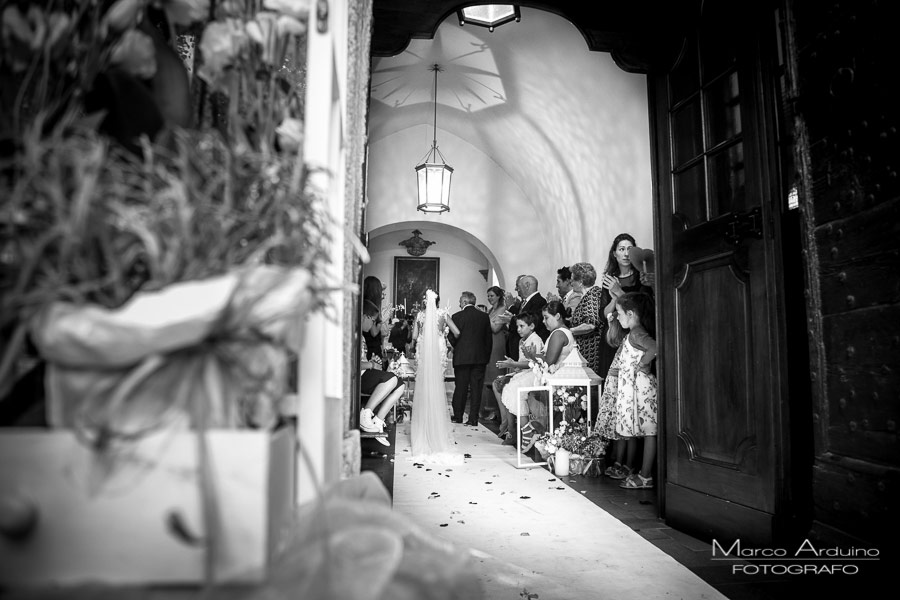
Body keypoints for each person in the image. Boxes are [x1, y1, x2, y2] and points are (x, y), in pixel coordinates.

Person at [500, 300, 575, 444]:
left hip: (554, 378)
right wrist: (532, 356)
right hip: (552, 375)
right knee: (512, 386)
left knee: (515, 389)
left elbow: (548, 362)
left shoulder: (558, 334)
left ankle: (526, 430)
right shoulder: (561, 332)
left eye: (547, 318)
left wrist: (533, 356)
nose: (544, 322)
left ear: (558, 316)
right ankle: (524, 430)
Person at [409, 290, 463, 464]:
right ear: (438, 302)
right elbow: (457, 332)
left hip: (423, 351)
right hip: (438, 349)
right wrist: (444, 333)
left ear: (425, 302)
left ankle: (424, 424)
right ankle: (437, 423)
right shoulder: (443, 314)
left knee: (424, 384)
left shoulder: (419, 315)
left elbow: (415, 336)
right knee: (437, 384)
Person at [613, 292, 658, 489]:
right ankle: (642, 473)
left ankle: (646, 476)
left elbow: (655, 347)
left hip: (642, 389)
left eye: (619, 313)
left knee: (650, 430)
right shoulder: (633, 332)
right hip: (636, 388)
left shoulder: (637, 333)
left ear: (630, 314)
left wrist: (643, 363)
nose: (617, 317)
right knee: (647, 430)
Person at [359, 300, 405, 446]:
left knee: (400, 385)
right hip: (356, 378)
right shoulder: (354, 334)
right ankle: (365, 414)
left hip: (363, 373)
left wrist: (371, 361)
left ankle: (378, 420)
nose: (372, 324)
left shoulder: (361, 335)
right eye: (372, 320)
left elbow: (361, 360)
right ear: (365, 316)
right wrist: (371, 364)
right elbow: (352, 363)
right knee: (391, 379)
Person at [492, 311, 543, 442]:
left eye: (522, 326)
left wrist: (513, 364)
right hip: (523, 372)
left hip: (534, 373)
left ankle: (515, 429)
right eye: (517, 326)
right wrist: (514, 366)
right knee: (498, 383)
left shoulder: (535, 340)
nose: (518, 329)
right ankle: (510, 427)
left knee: (508, 387)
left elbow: (534, 363)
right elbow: (522, 363)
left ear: (531, 326)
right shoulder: (522, 340)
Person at [447, 291, 492, 425]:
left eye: (460, 301)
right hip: (479, 359)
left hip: (462, 358)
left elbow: (452, 337)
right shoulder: (484, 317)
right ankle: (473, 418)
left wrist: (458, 348)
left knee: (460, 387)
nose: (459, 303)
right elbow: (488, 339)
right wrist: (486, 357)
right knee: (476, 389)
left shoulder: (457, 316)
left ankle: (458, 416)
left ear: (465, 302)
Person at [568, 262, 606, 378]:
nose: (570, 282)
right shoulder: (589, 295)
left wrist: (570, 331)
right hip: (587, 352)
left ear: (580, 282)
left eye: (572, 279)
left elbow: (590, 325)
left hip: (592, 353)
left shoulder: (592, 295)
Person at [480, 286, 508, 423]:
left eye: (492, 296)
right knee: (489, 374)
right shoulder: (491, 310)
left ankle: (496, 409)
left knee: (495, 373)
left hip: (497, 342)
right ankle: (489, 407)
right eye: (488, 296)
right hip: (489, 342)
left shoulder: (502, 308)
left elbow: (496, 328)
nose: (489, 298)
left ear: (498, 296)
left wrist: (484, 317)